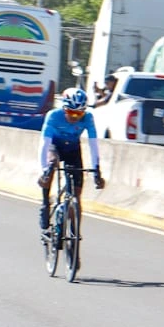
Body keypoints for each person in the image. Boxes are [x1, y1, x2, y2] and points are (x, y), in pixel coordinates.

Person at [37, 88, 106, 249]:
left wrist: (97, 170)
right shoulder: (53, 116)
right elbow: (44, 145)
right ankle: (45, 203)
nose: (75, 117)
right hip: (55, 146)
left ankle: (74, 240)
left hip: (73, 149)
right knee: (51, 164)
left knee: (76, 195)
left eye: (79, 114)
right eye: (71, 113)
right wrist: (43, 170)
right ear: (64, 108)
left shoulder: (88, 118)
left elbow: (93, 145)